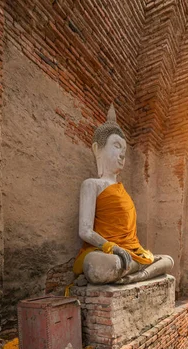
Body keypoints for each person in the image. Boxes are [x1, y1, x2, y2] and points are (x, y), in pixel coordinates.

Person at [73, 105, 173, 284]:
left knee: (168, 260)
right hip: (107, 254)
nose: (121, 155)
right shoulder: (91, 184)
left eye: (124, 151)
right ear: (98, 149)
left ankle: (136, 276)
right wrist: (112, 247)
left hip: (131, 253)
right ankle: (137, 269)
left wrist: (128, 252)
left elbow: (130, 237)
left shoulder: (123, 191)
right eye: (117, 146)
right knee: (99, 266)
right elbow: (85, 231)